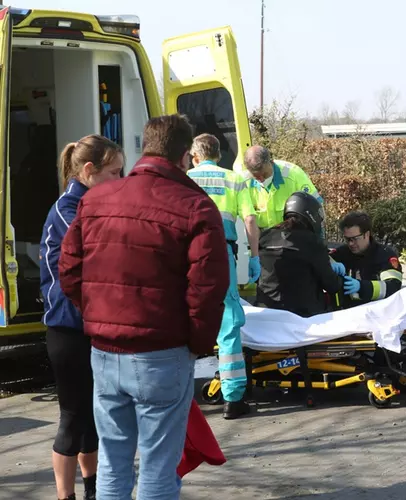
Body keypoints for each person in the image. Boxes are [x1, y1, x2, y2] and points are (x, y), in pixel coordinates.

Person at [58, 114, 229, 500]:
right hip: (162, 352)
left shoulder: (96, 199)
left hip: (105, 350)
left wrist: (98, 315)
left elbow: (68, 269)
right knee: (157, 465)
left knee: (114, 461)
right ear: (185, 157)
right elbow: (208, 286)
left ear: (144, 149)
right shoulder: (196, 207)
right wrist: (197, 343)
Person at [40, 135, 124, 500]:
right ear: (89, 171)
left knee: (93, 416)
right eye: (115, 172)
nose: (121, 180)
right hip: (68, 329)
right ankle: (65, 495)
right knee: (73, 416)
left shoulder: (91, 203)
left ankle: (91, 489)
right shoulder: (68, 210)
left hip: (92, 324)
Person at [187, 133, 259, 420]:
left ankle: (181, 398)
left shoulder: (184, 177)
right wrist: (253, 257)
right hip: (220, 254)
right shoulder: (235, 179)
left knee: (187, 317)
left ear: (195, 156)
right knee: (228, 322)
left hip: (188, 255)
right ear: (219, 155)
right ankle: (233, 398)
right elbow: (250, 219)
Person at [256, 191, 343, 318]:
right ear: (311, 214)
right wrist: (340, 278)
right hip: (303, 316)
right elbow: (331, 285)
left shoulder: (266, 237)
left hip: (267, 312)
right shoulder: (312, 242)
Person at [330, 211, 402, 308]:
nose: (351, 243)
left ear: (367, 234)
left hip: (378, 312)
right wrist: (329, 262)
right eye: (347, 239)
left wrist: (362, 287)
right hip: (347, 313)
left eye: (355, 238)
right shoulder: (342, 253)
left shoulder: (385, 255)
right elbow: (319, 259)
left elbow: (393, 286)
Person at [243, 145, 323, 231]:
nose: (261, 179)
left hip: (295, 237)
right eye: (256, 177)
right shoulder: (244, 182)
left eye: (264, 174)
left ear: (271, 162)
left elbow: (317, 212)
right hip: (264, 239)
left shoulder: (294, 175)